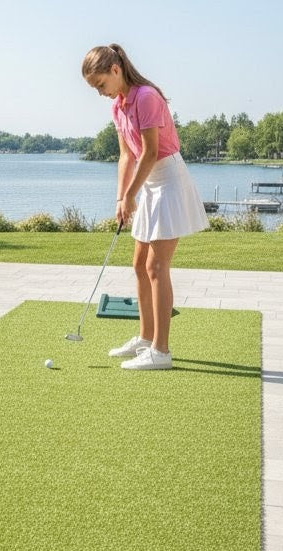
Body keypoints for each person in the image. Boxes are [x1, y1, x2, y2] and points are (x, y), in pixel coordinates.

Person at [81, 44, 208, 370]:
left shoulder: (147, 97)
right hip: (147, 184)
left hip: (168, 181)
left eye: (100, 85)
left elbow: (150, 153)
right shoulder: (118, 107)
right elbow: (127, 156)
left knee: (156, 267)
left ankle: (161, 352)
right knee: (139, 264)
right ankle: (145, 337)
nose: (100, 93)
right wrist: (121, 198)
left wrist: (131, 195)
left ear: (115, 70)